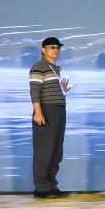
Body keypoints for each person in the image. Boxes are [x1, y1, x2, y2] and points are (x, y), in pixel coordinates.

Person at [30, 36, 71, 198]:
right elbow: (35, 91)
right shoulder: (39, 67)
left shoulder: (54, 68)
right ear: (43, 50)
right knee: (44, 150)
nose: (55, 50)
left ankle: (51, 185)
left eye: (57, 47)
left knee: (56, 151)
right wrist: (38, 112)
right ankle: (41, 188)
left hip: (59, 110)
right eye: (51, 47)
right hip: (46, 110)